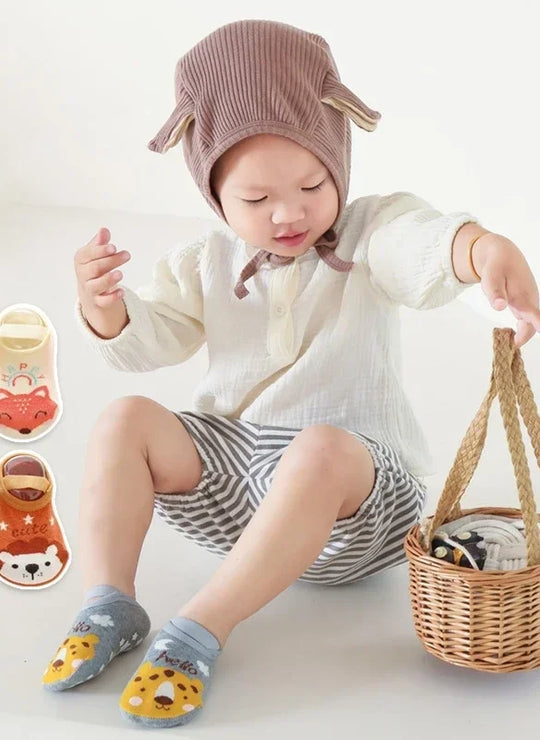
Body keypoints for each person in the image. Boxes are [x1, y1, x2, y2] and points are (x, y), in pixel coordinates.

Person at [41, 19, 540, 729]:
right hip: (239, 499)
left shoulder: (370, 232)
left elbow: (422, 246)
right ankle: (109, 602)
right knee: (125, 416)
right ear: (214, 194)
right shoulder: (207, 260)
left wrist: (480, 249)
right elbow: (151, 339)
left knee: (320, 449)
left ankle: (200, 627)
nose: (288, 213)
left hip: (355, 503)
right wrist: (106, 308)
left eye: (312, 184)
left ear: (339, 165)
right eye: (254, 200)